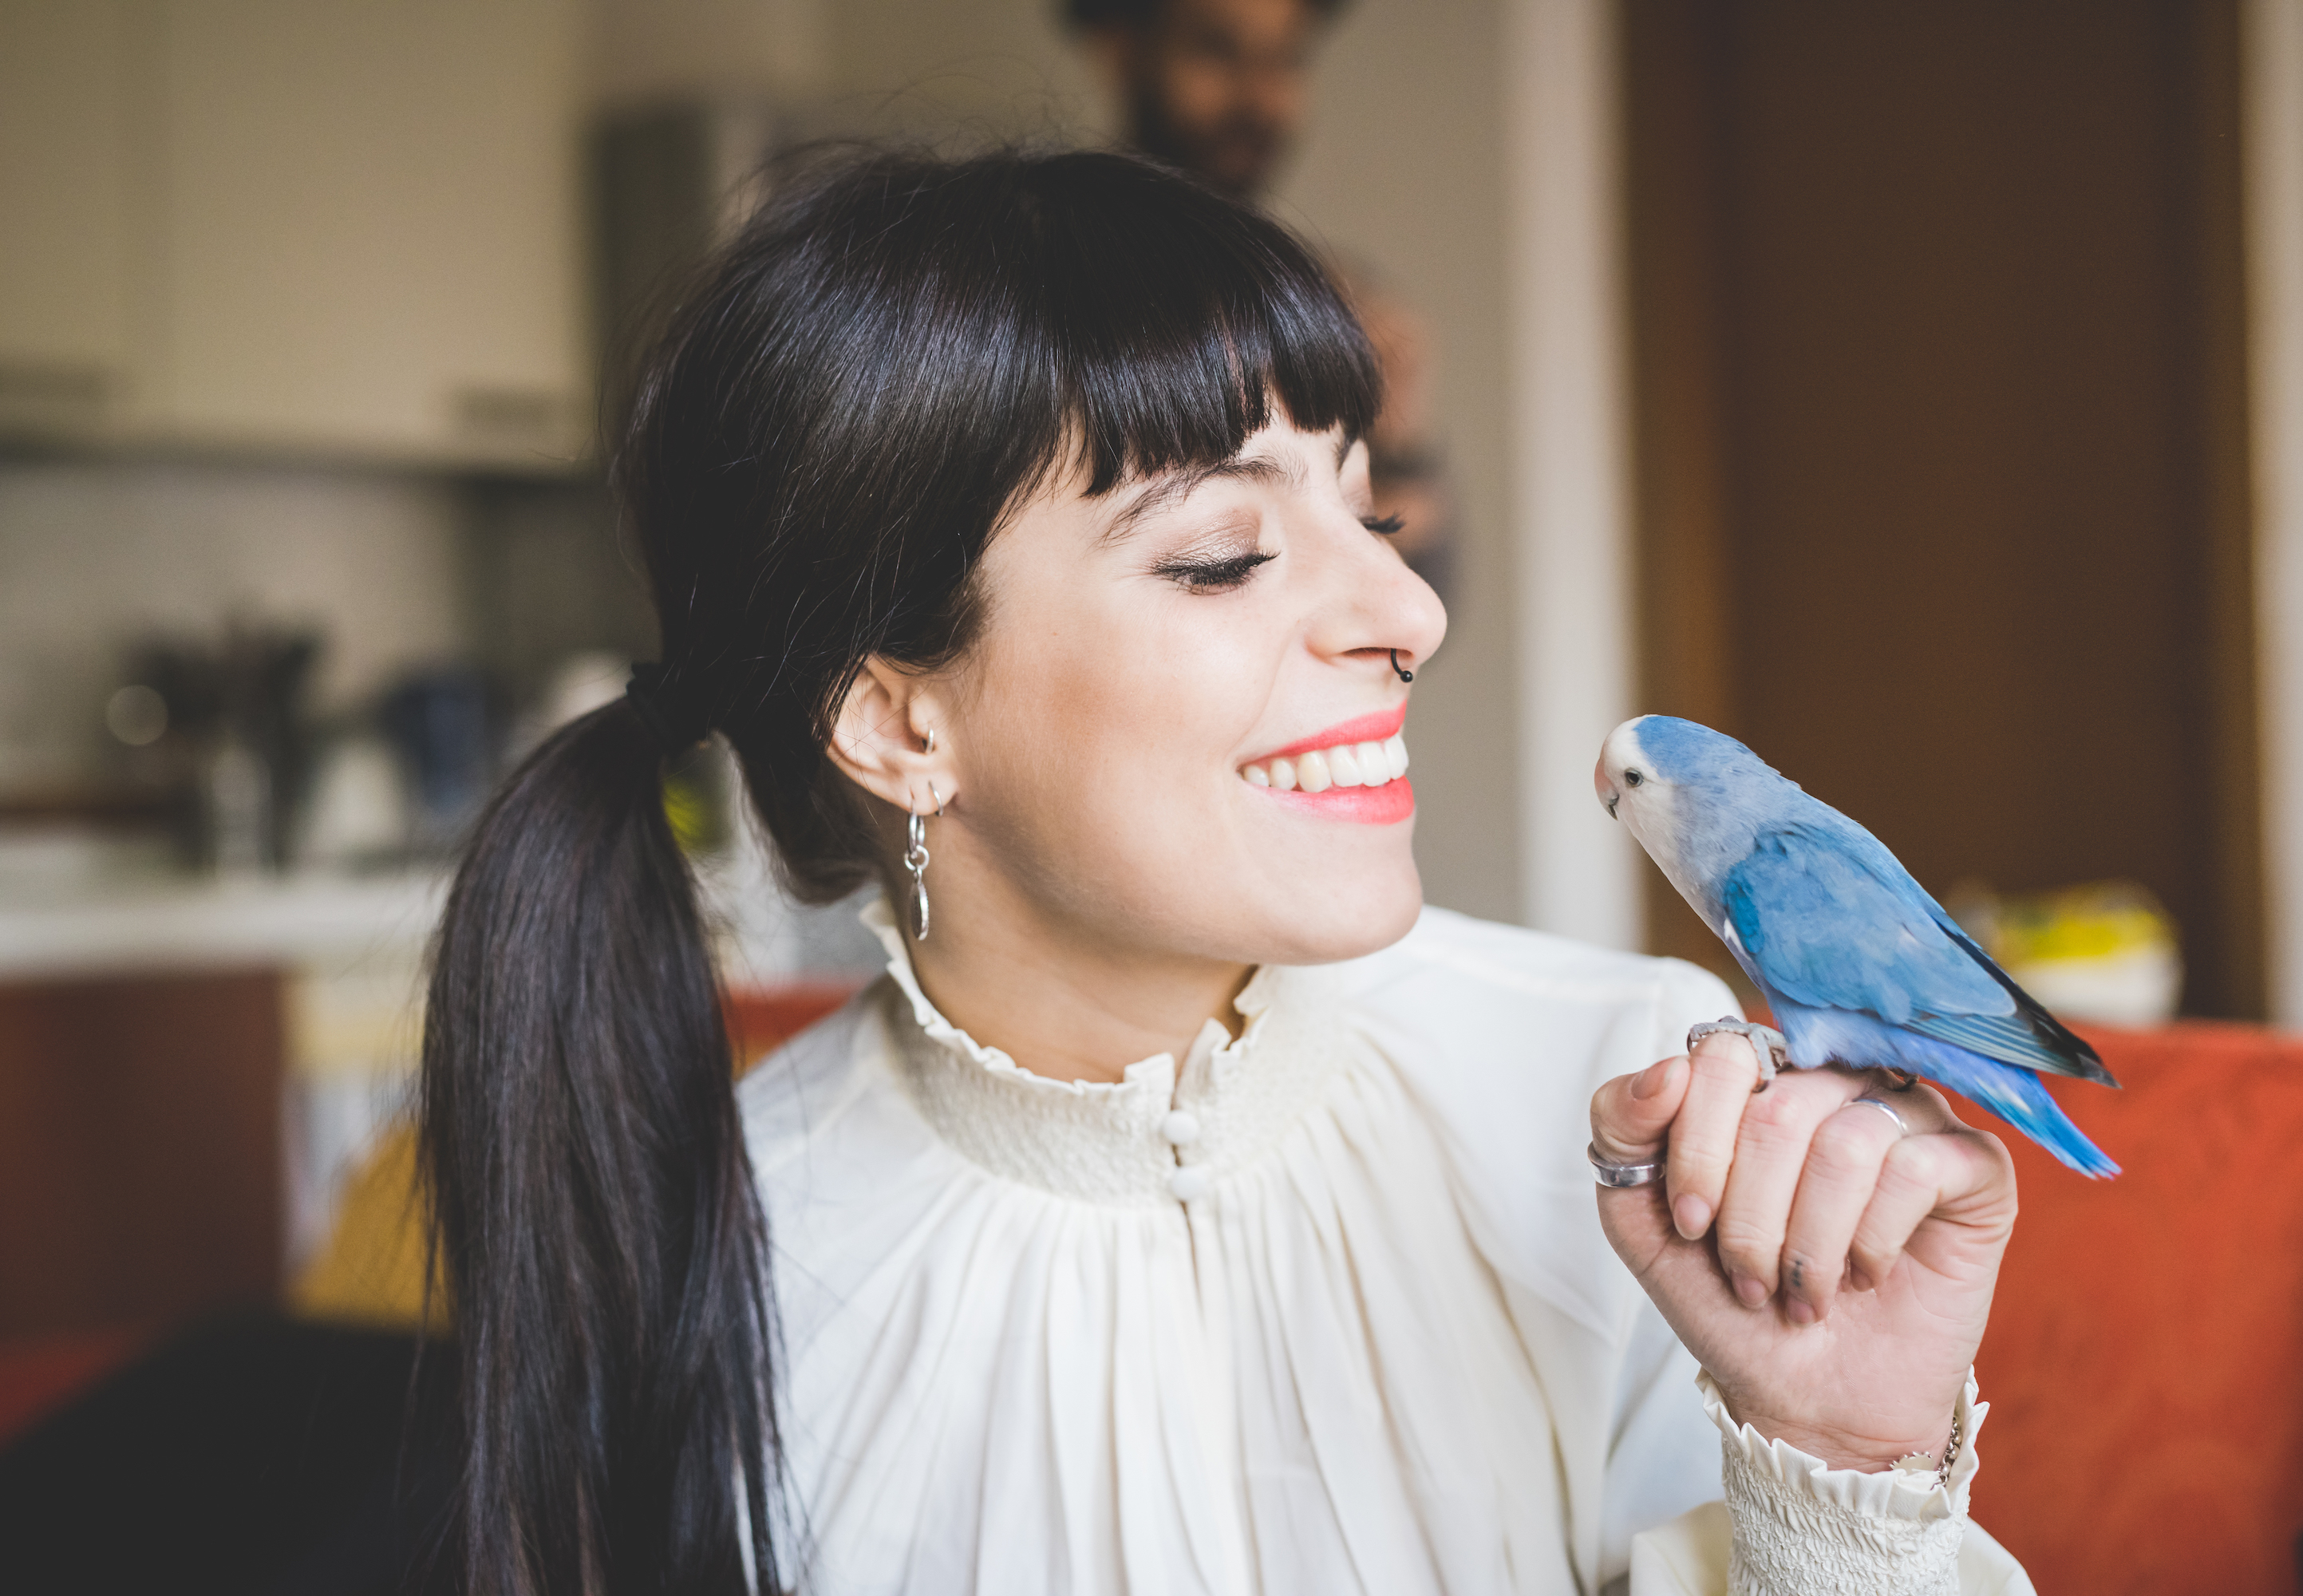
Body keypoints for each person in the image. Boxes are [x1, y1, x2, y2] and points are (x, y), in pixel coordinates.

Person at [417, 147, 2032, 1595]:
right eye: (1223, 555)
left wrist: (1847, 1475)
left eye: (1368, 503)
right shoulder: (716, 1253)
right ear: (901, 721)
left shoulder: (1648, 1109)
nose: (1411, 616)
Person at [1065, 0, 1455, 594]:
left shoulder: (1330, 294)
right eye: (1218, 51)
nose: (1259, 97)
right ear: (1121, 47)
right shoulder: (1044, 281)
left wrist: (1397, 438)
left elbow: (1426, 583)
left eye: (1285, 59)